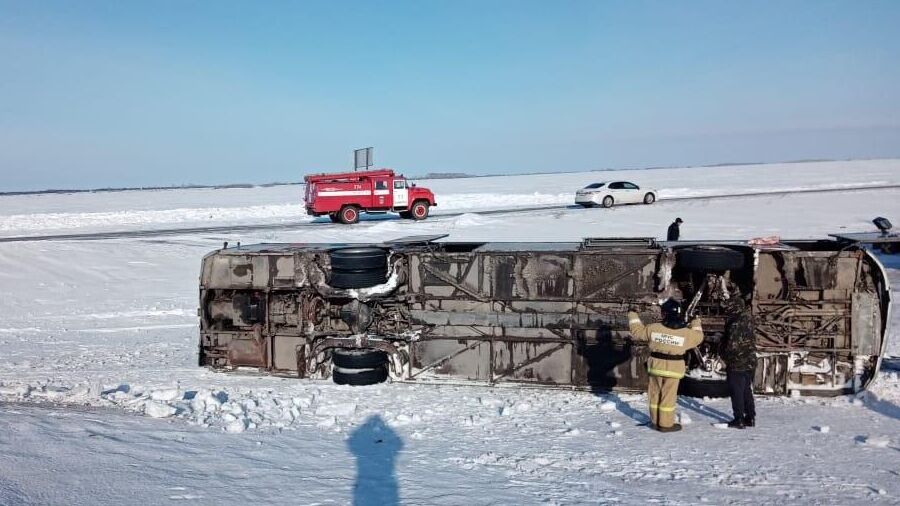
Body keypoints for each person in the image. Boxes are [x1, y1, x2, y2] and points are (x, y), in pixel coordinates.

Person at [628, 299, 704, 432]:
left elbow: (637, 332)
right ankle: (666, 424)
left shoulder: (654, 328)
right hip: (674, 369)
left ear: (664, 314)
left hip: (656, 367)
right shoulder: (686, 333)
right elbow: (699, 337)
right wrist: (695, 321)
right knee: (668, 397)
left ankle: (654, 421)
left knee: (654, 394)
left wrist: (632, 314)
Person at [721, 295, 757, 429]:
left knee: (737, 391)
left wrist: (724, 356)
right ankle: (750, 417)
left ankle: (739, 419)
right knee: (746, 390)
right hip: (750, 361)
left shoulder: (735, 323)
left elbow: (732, 346)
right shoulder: (748, 319)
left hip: (737, 363)